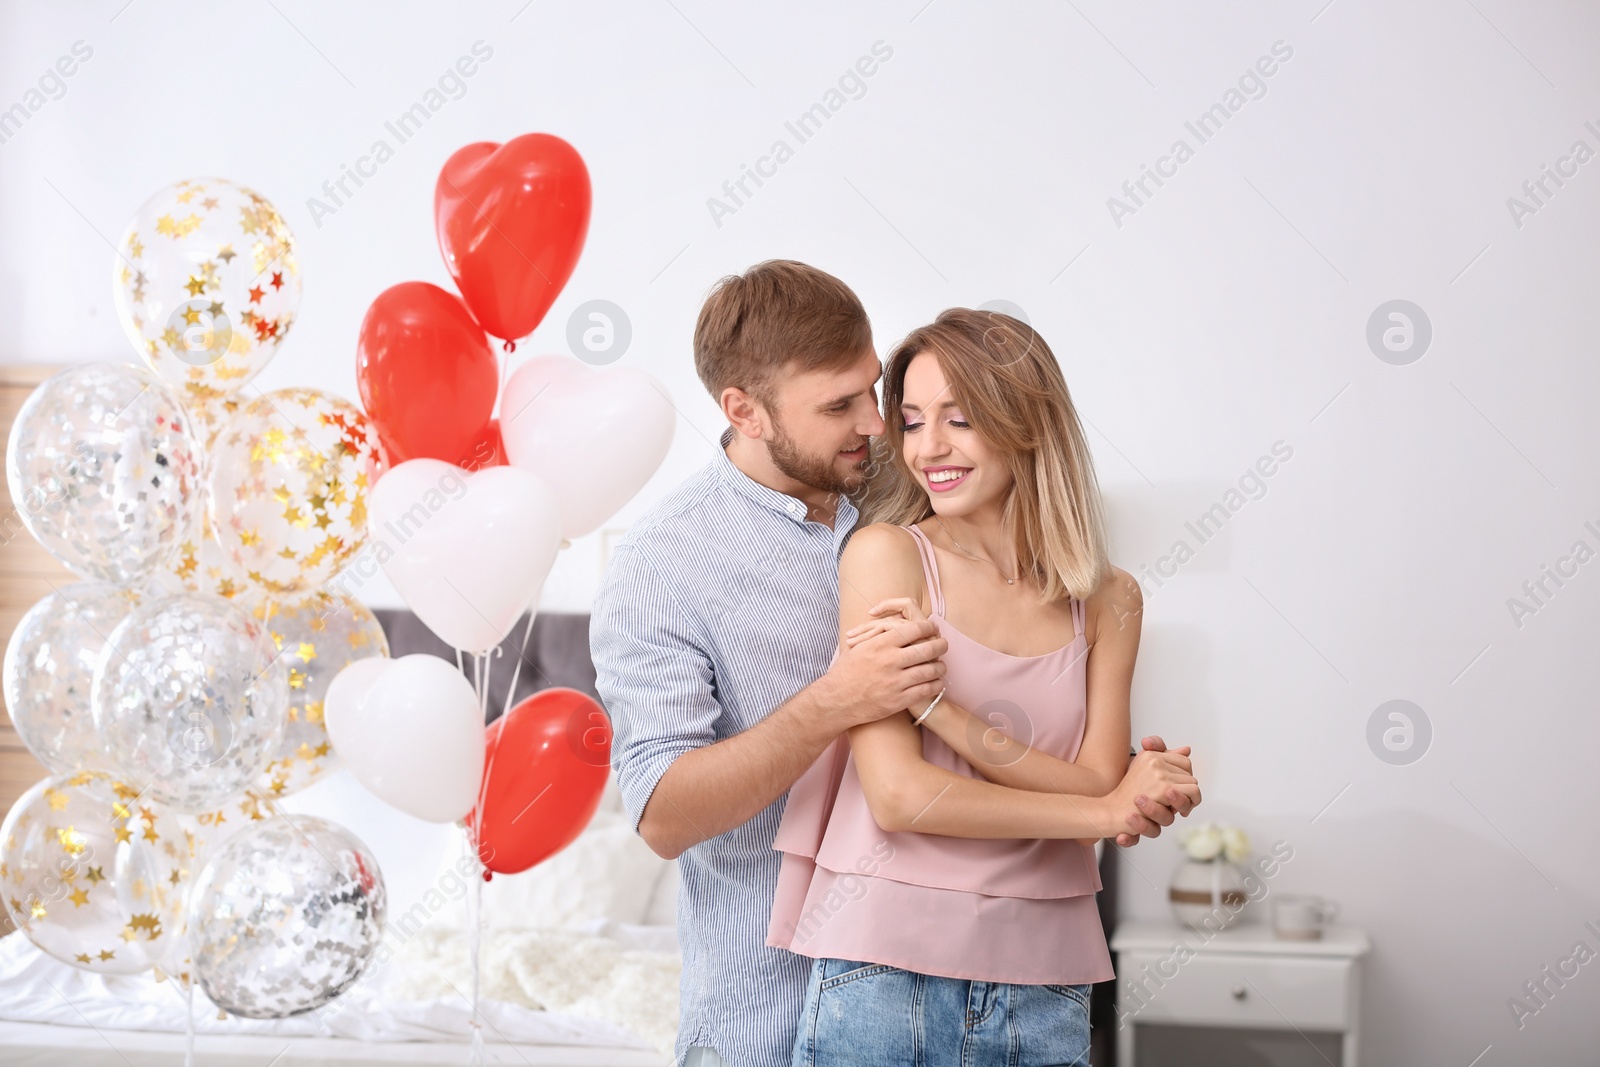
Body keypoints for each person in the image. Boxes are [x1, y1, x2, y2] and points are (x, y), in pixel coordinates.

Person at [591, 262, 1191, 1067]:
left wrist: (1118, 778)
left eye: (876, 394)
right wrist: (835, 699)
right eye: (840, 406)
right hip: (761, 1009)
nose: (877, 428)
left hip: (1008, 971)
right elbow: (662, 814)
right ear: (744, 411)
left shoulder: (903, 503)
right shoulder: (664, 565)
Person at [766, 308, 1200, 1067]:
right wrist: (1095, 807)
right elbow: (900, 795)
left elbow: (1096, 781)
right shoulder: (886, 558)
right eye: (910, 421)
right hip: (883, 968)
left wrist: (942, 711)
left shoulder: (1111, 599)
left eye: (959, 419)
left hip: (1045, 978)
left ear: (1025, 423)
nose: (928, 447)